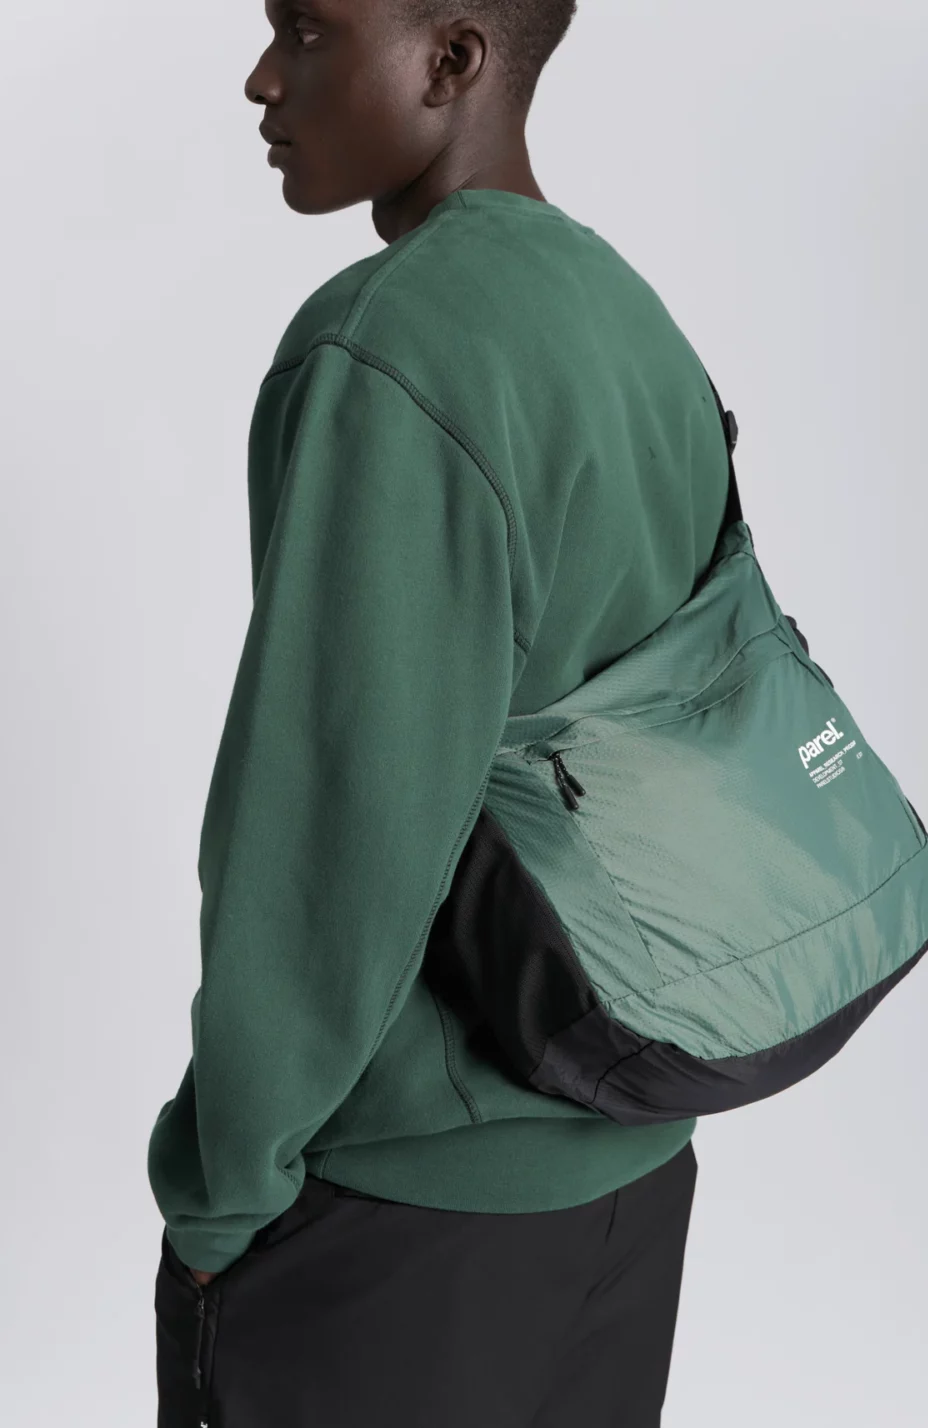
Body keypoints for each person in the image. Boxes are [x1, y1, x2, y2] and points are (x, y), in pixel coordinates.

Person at [150, 1, 729, 1423]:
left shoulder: (388, 343)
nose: (262, 76)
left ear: (452, 60)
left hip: (402, 1218)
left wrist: (223, 1192)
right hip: (630, 1161)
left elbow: (333, 818)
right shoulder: (626, 309)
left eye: (308, 31)